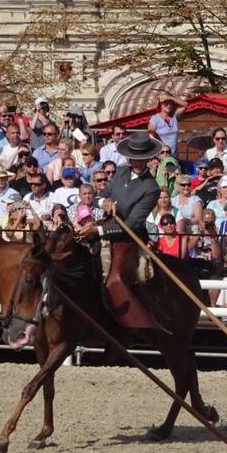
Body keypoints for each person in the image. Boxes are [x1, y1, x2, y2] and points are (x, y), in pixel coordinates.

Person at [84, 131, 165, 331]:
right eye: (133, 157)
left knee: (115, 278)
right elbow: (98, 196)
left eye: (140, 157)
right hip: (102, 226)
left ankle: (120, 318)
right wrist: (105, 201)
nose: (136, 161)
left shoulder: (151, 188)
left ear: (147, 158)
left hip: (128, 237)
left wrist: (99, 231)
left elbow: (133, 224)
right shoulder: (119, 172)